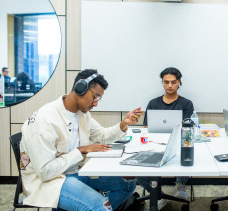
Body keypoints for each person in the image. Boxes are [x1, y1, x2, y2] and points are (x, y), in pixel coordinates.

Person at [19, 69, 144, 211]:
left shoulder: (81, 114)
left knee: (127, 184)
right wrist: (80, 151)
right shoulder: (45, 120)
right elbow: (45, 172)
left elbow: (102, 136)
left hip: (73, 173)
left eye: (98, 99)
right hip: (49, 182)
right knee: (102, 206)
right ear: (80, 88)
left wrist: (123, 124)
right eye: (95, 97)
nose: (96, 104)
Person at [138, 67, 194, 207]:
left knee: (186, 150)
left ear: (179, 82)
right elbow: (146, 128)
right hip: (155, 142)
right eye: (166, 82)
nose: (170, 85)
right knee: (138, 166)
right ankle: (157, 194)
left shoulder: (186, 104)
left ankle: (181, 185)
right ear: (162, 83)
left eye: (173, 82)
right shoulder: (153, 103)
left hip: (178, 142)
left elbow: (187, 129)